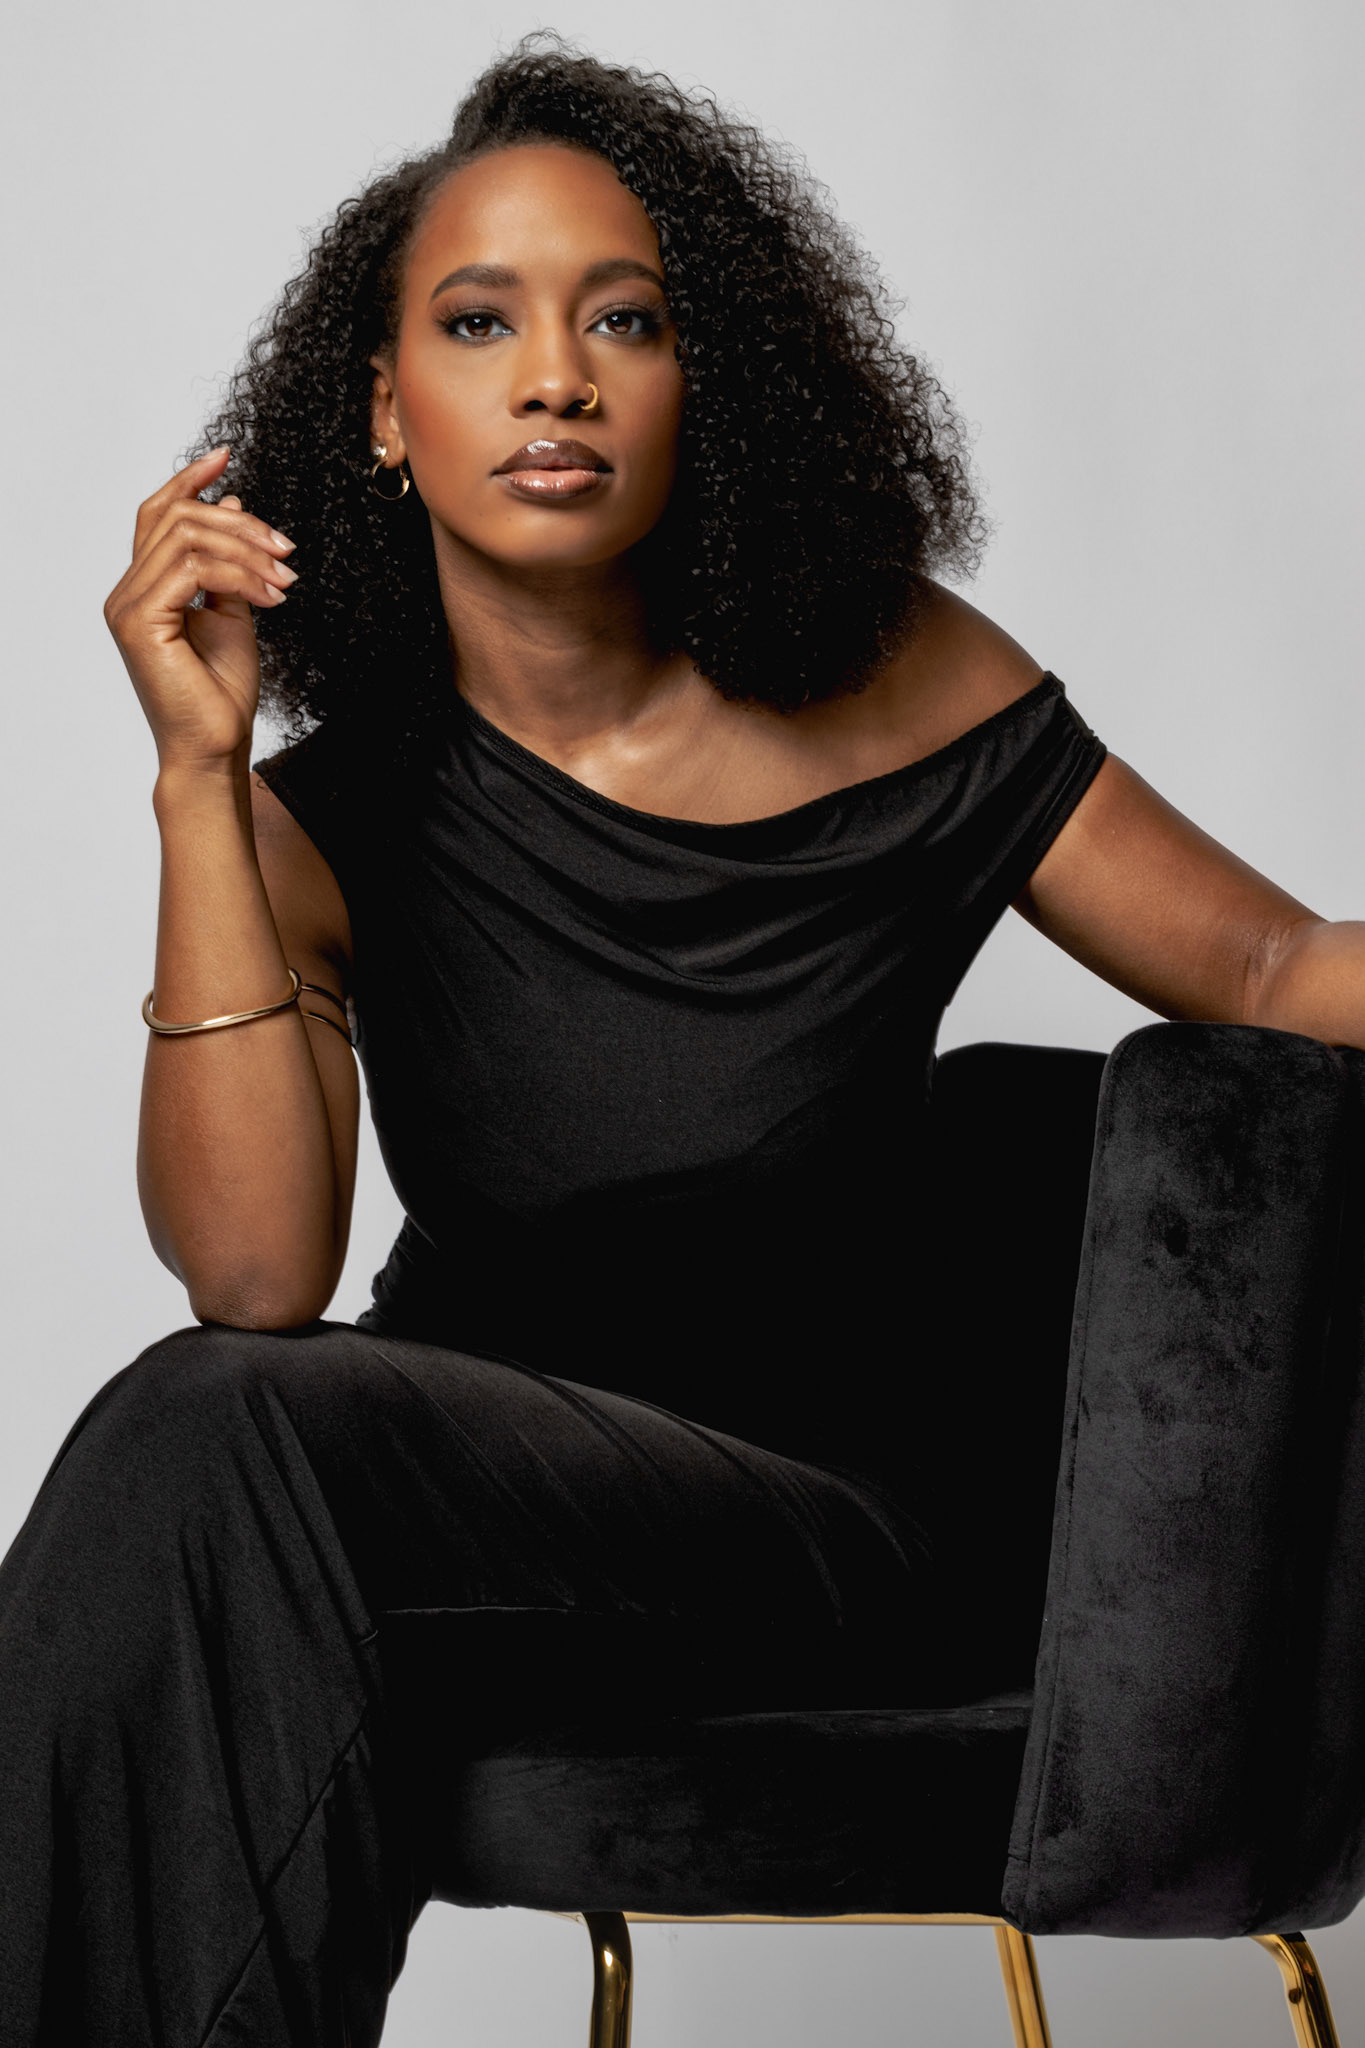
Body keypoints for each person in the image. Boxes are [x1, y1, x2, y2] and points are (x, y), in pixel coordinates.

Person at [1, 30, 1361, 2048]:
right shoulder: (317, 820)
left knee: (211, 1449)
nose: (553, 375)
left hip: (843, 1536)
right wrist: (198, 778)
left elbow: (1264, 962)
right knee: (210, 1479)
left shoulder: (893, 680)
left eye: (620, 319)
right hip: (484, 1551)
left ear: (696, 382)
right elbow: (259, 1277)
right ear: (380, 411)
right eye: (479, 322)